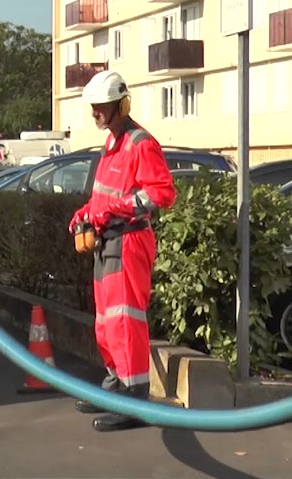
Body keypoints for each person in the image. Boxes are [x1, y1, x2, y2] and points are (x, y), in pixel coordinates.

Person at [68, 70, 176, 432]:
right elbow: (102, 197)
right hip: (107, 241)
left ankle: (134, 399)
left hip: (129, 240)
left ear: (121, 105)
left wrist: (115, 210)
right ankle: (115, 384)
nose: (95, 113)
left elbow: (162, 194)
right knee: (107, 322)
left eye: (101, 107)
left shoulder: (139, 143)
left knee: (126, 320)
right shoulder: (111, 145)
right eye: (93, 107)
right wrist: (85, 215)